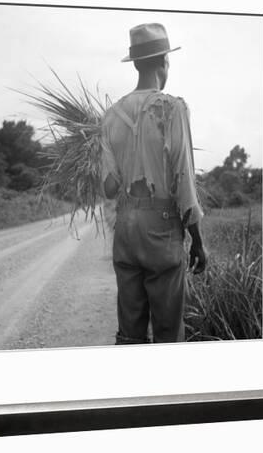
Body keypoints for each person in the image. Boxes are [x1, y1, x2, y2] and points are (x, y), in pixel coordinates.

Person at [100, 23, 207, 345]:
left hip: (125, 228)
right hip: (160, 230)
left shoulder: (110, 115)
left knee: (130, 331)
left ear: (134, 63)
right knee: (167, 331)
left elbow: (108, 187)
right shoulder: (172, 108)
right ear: (165, 61)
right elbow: (184, 179)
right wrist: (198, 240)